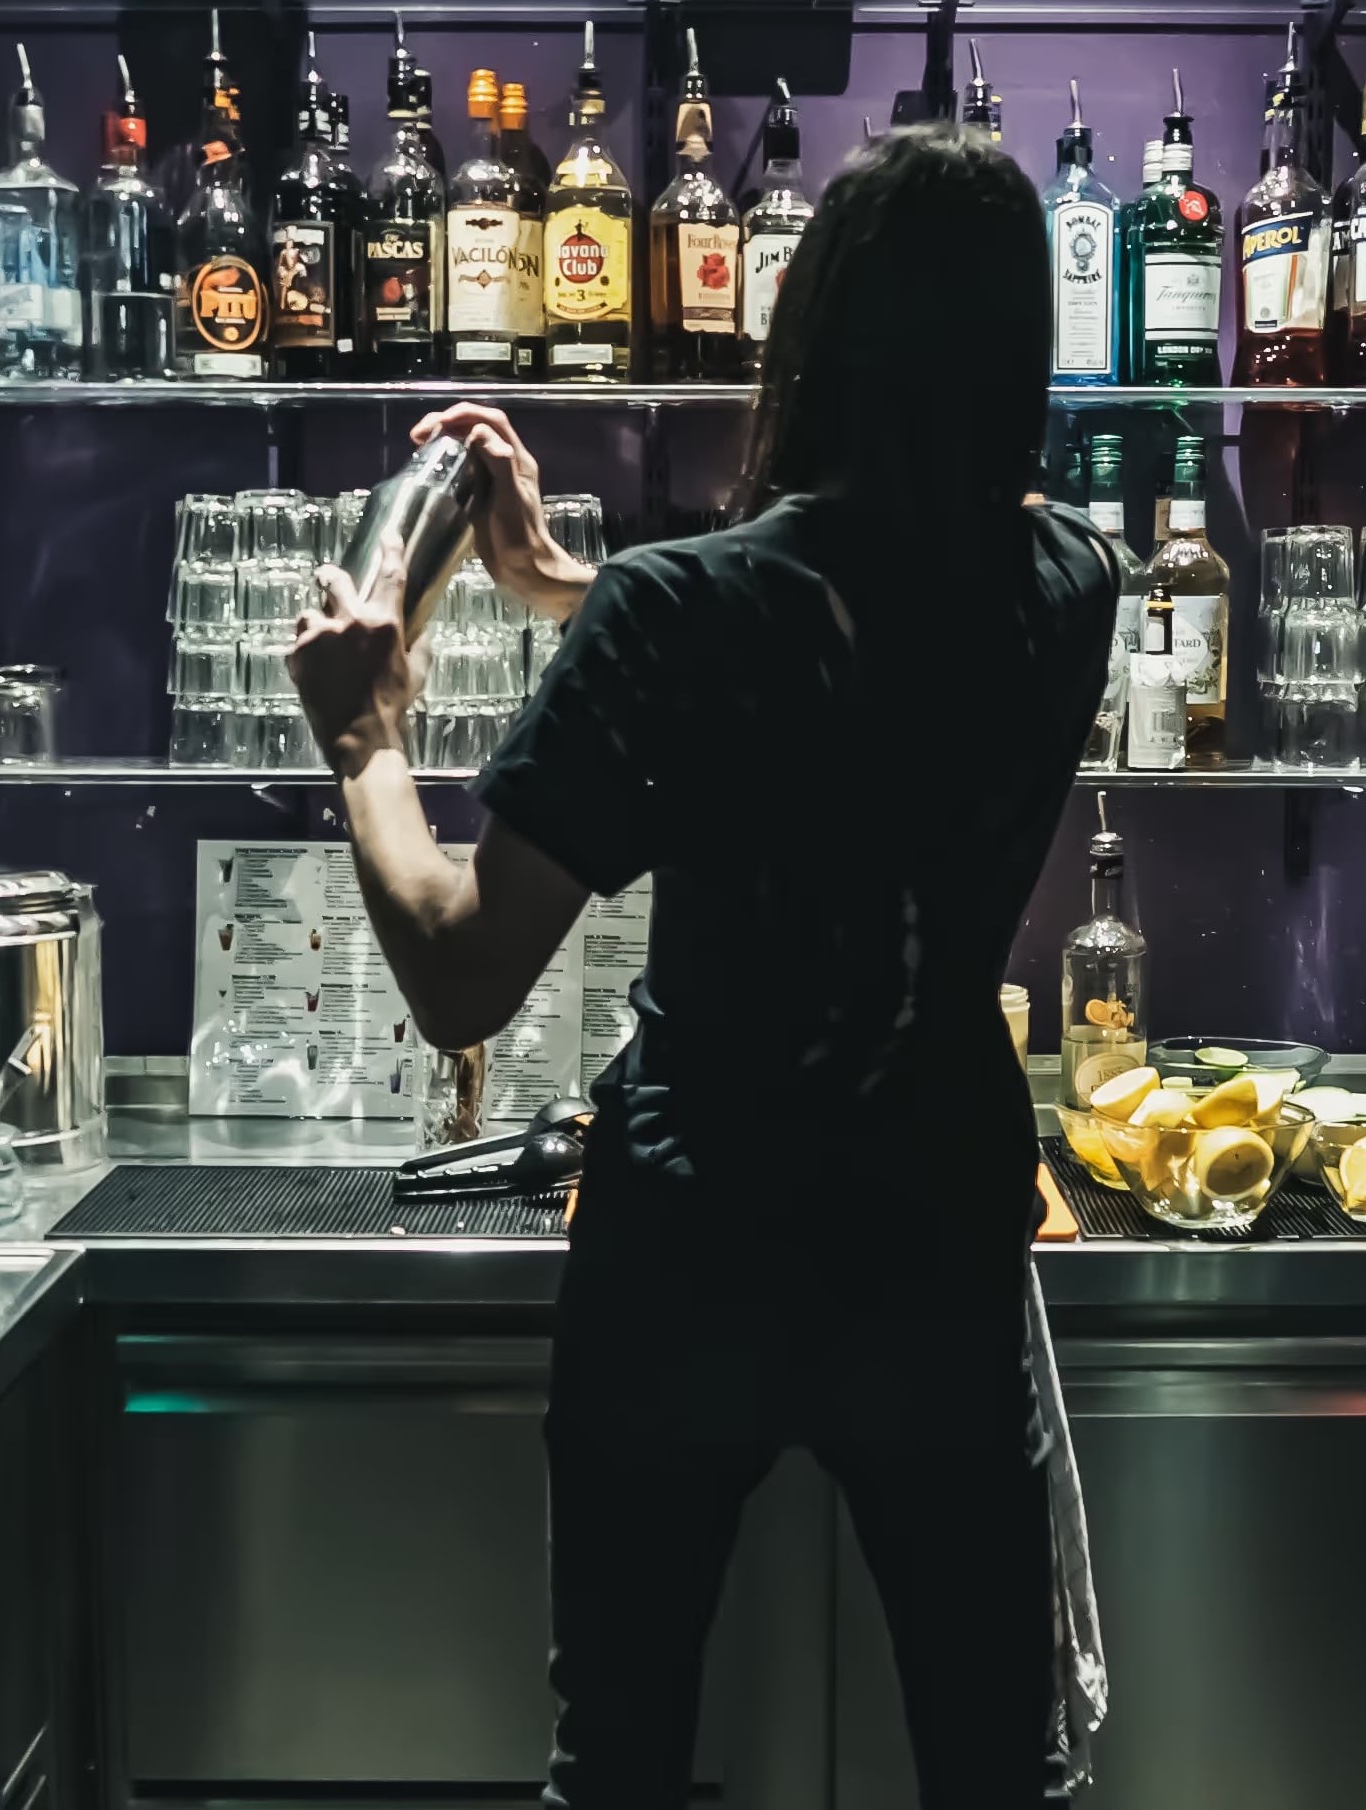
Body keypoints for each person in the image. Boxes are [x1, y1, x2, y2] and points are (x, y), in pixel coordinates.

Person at [288, 122, 1116, 1810]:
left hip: (695, 1257)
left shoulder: (676, 619)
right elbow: (846, 639)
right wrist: (564, 589)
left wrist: (367, 739)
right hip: (935, 1247)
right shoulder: (1068, 587)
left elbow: (459, 973)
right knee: (987, 1763)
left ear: (806, 340)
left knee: (627, 1765)